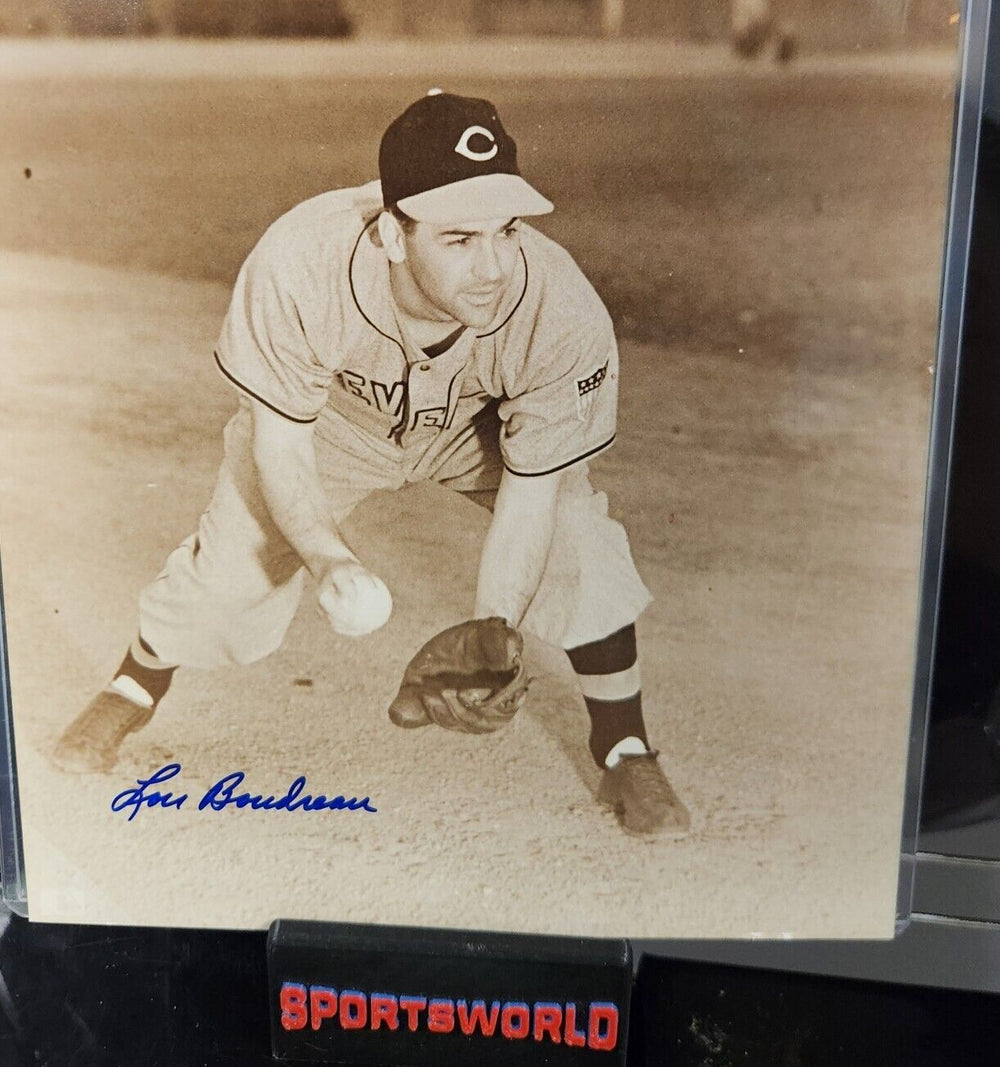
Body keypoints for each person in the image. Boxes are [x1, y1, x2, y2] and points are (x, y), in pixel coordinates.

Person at [54, 91, 689, 838]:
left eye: (507, 230)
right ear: (393, 233)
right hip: (332, 425)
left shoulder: (559, 308)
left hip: (475, 428)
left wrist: (491, 635)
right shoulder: (301, 263)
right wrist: (330, 561)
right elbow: (281, 444)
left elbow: (532, 492)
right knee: (230, 578)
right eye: (458, 239)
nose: (492, 267)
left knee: (578, 540)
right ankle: (135, 680)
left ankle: (623, 744)